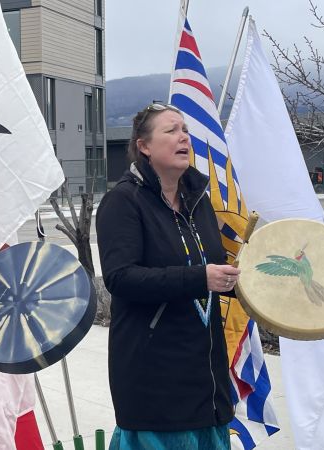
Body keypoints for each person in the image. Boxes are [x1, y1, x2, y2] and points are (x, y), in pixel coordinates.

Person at [96, 103, 241, 449]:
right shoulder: (123, 202)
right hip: (154, 379)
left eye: (186, 131)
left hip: (207, 379)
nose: (183, 138)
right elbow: (121, 278)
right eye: (171, 130)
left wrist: (254, 285)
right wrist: (199, 278)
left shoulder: (198, 202)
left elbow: (214, 268)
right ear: (144, 146)